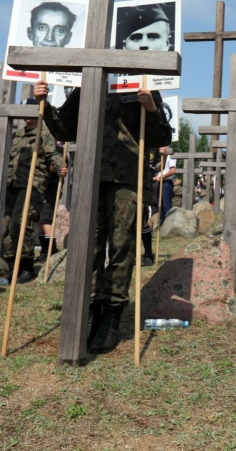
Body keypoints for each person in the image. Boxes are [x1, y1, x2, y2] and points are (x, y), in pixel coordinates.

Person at [34, 78, 172, 355]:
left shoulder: (142, 84)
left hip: (127, 178)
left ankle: (111, 313)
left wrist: (152, 108)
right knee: (89, 244)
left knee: (122, 245)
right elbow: (66, 129)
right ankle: (90, 310)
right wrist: (44, 103)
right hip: (90, 175)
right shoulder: (87, 83)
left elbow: (162, 138)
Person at [0, 98, 66, 283]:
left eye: (29, 109)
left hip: (32, 185)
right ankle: (11, 264)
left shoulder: (46, 132)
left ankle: (26, 266)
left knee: (21, 223)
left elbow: (53, 154)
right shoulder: (18, 135)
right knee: (7, 225)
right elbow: (6, 161)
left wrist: (60, 166)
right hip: (12, 184)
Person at [152, 146, 176, 225]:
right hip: (161, 182)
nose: (160, 148)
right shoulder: (163, 157)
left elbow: (172, 170)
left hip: (166, 182)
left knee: (166, 205)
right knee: (160, 205)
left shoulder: (171, 156)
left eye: (163, 146)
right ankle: (161, 225)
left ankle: (168, 225)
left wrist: (161, 177)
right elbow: (161, 169)